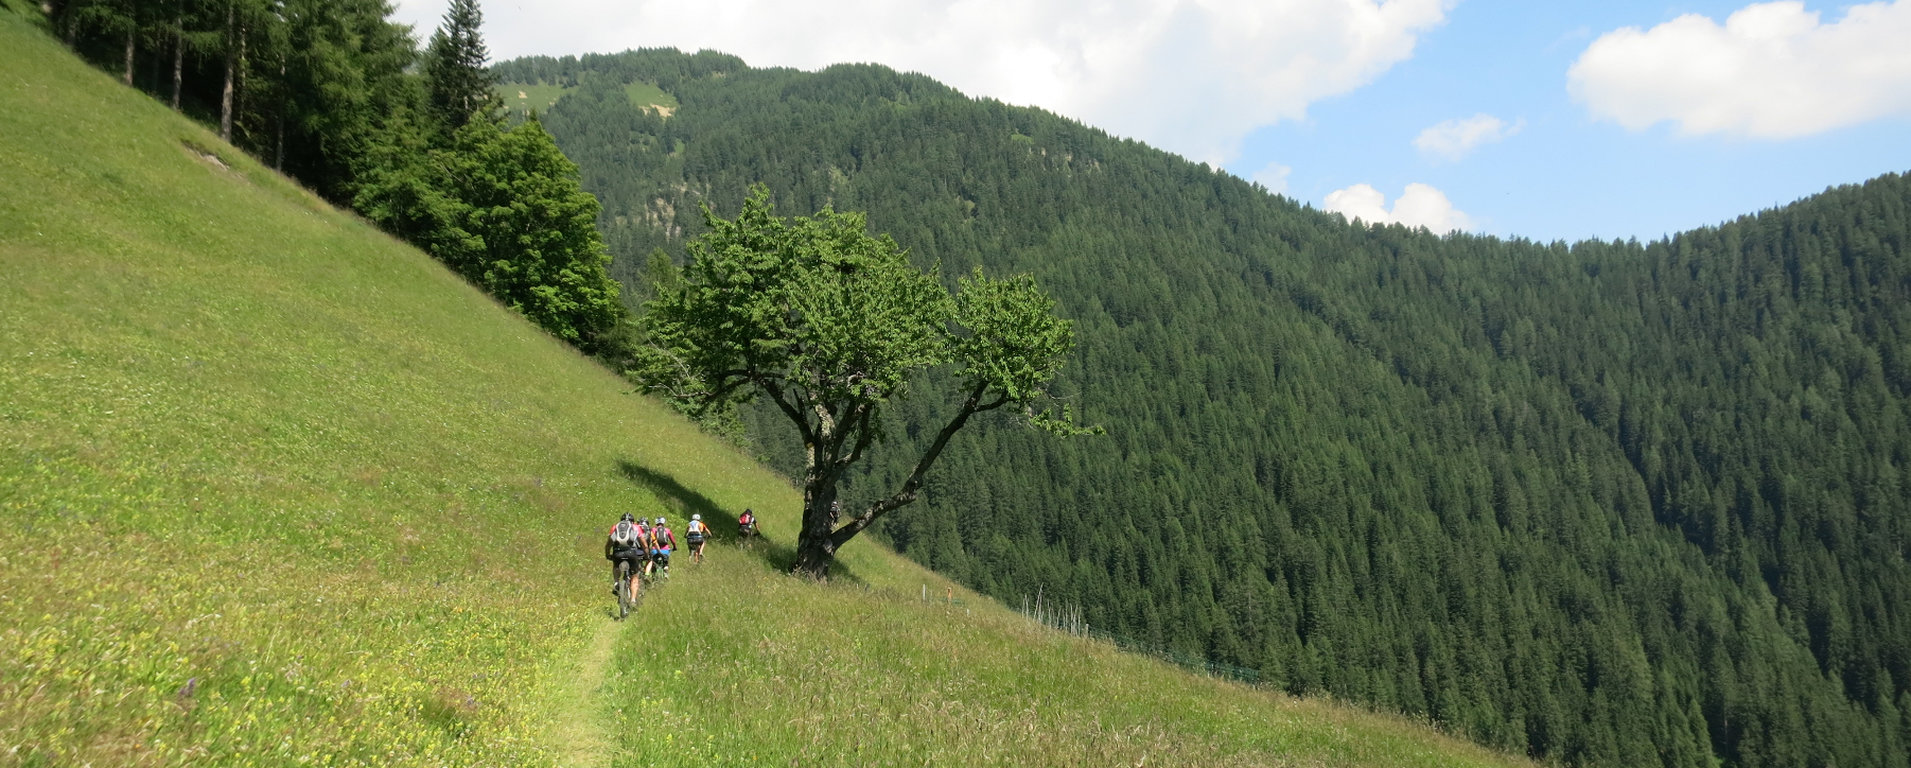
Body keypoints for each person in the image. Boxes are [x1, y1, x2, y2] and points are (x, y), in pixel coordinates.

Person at [604, 512, 645, 595]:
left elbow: (608, 544)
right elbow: (644, 543)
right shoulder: (636, 527)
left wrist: (608, 554)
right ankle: (633, 600)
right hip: (631, 553)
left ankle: (616, 582)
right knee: (634, 576)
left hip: (617, 553)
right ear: (633, 521)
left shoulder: (615, 527)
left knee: (616, 566)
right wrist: (646, 553)